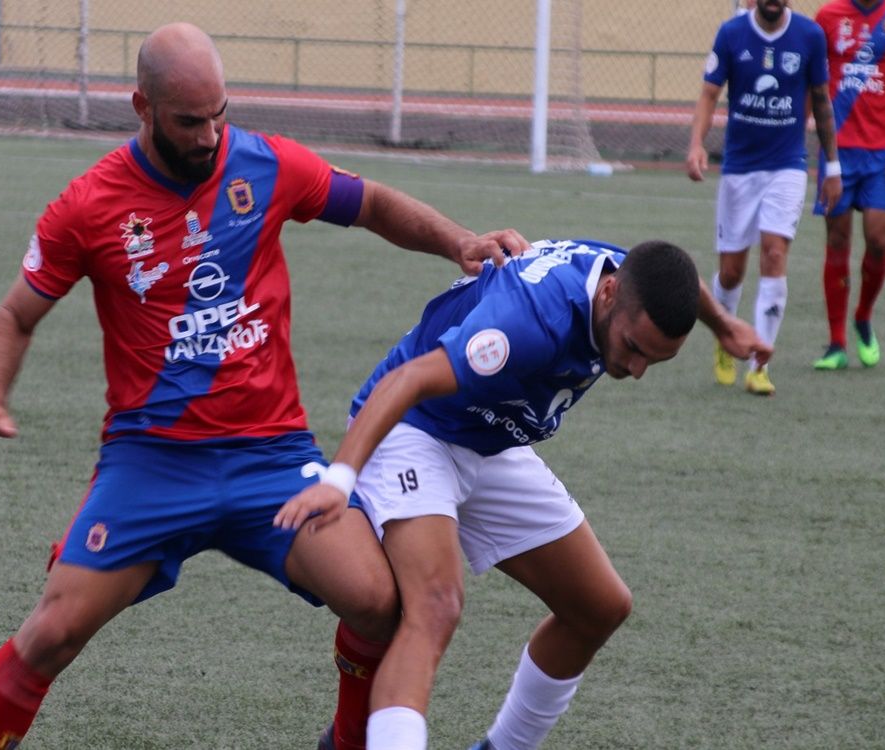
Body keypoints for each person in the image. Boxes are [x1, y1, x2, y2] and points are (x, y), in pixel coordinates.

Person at [0, 22, 527, 750]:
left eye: (220, 114)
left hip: (270, 459)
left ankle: (342, 743)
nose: (211, 135)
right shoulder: (88, 206)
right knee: (50, 634)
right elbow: (16, 315)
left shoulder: (265, 165)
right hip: (151, 464)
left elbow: (369, 203)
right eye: (190, 120)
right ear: (141, 107)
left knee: (379, 602)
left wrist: (459, 241)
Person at [275, 239, 771, 749]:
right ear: (607, 293)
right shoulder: (528, 324)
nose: (637, 370)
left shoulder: (622, 276)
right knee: (436, 605)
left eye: (656, 360)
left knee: (600, 607)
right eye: (634, 348)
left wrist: (724, 324)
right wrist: (340, 479)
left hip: (492, 437)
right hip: (416, 429)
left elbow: (677, 279)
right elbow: (406, 381)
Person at [686, 0, 840, 396]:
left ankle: (760, 365)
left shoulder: (809, 36)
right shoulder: (731, 34)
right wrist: (696, 145)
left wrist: (833, 167)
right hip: (739, 169)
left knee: (774, 253)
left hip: (787, 165)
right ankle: (725, 336)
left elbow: (821, 101)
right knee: (732, 271)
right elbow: (708, 94)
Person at [811, 0, 885, 371]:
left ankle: (863, 315)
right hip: (838, 151)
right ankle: (836, 342)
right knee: (837, 240)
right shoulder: (827, 16)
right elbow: (812, 81)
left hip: (882, 155)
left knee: (878, 240)